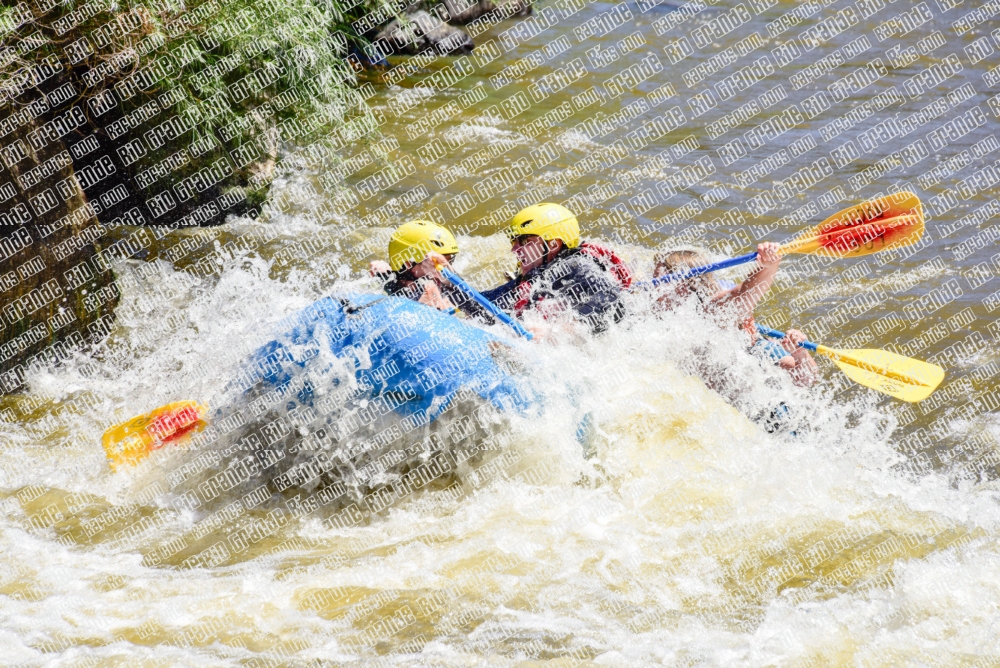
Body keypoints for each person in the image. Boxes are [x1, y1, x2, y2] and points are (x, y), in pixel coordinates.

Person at [652, 243, 819, 387]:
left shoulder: (711, 311)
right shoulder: (653, 314)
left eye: (662, 281)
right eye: (653, 279)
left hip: (757, 403)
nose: (653, 289)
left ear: (688, 285)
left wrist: (768, 265)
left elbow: (743, 293)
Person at [481, 203, 633, 334]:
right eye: (514, 241)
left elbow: (615, 307)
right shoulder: (533, 277)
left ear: (553, 244)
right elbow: (482, 306)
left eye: (524, 241)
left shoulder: (578, 266)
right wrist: (456, 287)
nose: (514, 249)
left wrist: (554, 330)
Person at [369, 220, 494, 322]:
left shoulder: (447, 287)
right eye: (433, 264)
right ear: (407, 263)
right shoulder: (386, 284)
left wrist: (450, 280)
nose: (441, 270)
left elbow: (486, 319)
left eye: (448, 262)